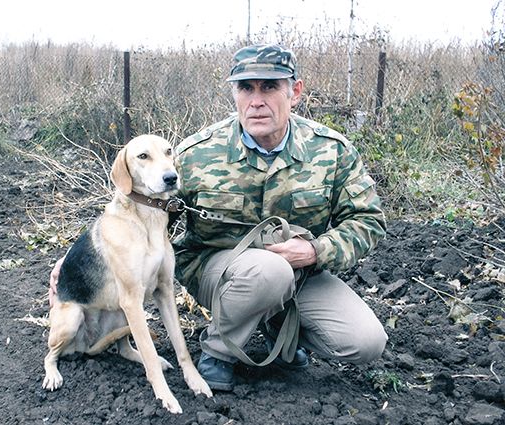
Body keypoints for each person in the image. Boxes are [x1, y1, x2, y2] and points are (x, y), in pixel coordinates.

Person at [50, 44, 388, 392]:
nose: (257, 100)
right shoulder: (198, 153)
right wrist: (82, 261)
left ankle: (275, 328)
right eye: (246, 88)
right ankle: (218, 352)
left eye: (269, 87)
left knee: (365, 341)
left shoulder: (331, 150)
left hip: (301, 273)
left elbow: (368, 220)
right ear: (235, 94)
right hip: (217, 271)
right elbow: (137, 207)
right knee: (268, 272)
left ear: (295, 92)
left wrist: (317, 251)